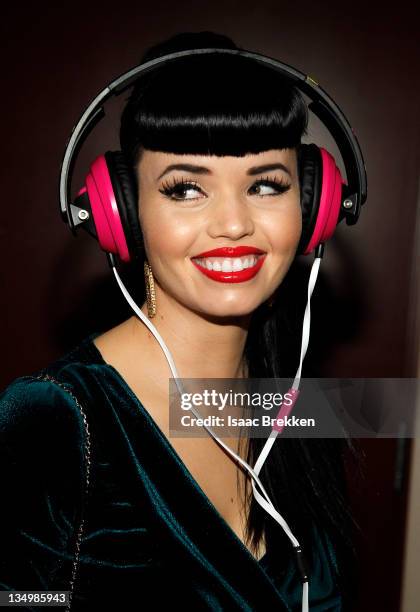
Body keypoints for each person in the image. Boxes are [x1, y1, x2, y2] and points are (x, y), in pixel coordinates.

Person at [0, 31, 361, 611]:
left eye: (267, 184)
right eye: (186, 188)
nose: (234, 224)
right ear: (123, 213)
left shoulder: (298, 406)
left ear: (315, 206)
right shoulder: (54, 419)